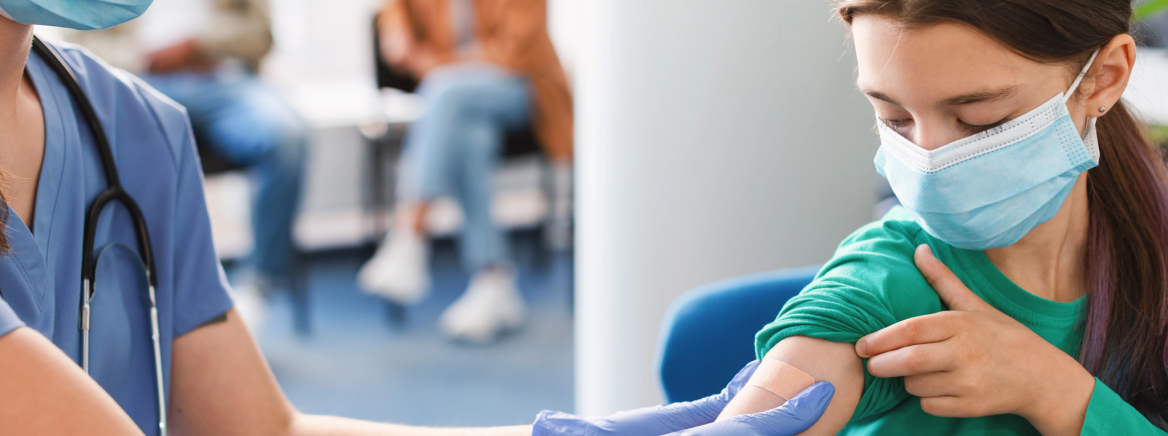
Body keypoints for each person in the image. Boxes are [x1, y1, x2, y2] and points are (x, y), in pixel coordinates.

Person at [0, 1, 834, 434]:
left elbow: (265, 432)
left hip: (492, 90)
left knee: (457, 107)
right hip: (454, 87)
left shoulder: (137, 133)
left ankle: (425, 241)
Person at [717, 0, 1168, 434]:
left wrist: (1056, 392)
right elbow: (798, 373)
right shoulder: (889, 276)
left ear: (1104, 78)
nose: (931, 163)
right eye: (894, 117)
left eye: (980, 120)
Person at [65, 0, 307, 329]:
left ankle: (258, 285)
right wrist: (148, 57)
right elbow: (78, 44)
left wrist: (198, 45)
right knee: (108, 147)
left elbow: (261, 35)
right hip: (139, 80)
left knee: (287, 138)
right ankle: (135, 289)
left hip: (225, 83)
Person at [358, 0, 573, 343]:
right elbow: (394, 15)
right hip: (459, 102)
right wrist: (398, 33)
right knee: (471, 139)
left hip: (523, 90)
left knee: (445, 91)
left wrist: (443, 66)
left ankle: (411, 230)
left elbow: (517, 56)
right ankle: (495, 279)